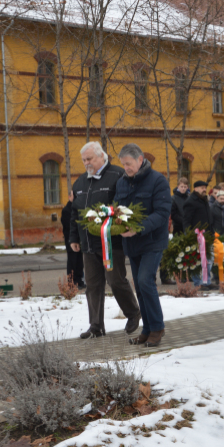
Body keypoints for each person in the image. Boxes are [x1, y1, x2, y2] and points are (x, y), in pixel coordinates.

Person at [68, 141, 141, 340]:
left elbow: (125, 206)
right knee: (92, 285)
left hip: (112, 242)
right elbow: (75, 212)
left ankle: (133, 312)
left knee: (115, 280)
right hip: (88, 244)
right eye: (84, 160)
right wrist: (74, 237)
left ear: (102, 156)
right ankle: (96, 326)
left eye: (90, 159)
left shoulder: (118, 175)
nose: (86, 163)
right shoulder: (81, 182)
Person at [115, 143, 172, 348]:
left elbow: (162, 212)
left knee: (145, 280)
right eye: (123, 164)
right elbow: (117, 209)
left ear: (140, 160)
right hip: (132, 242)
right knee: (139, 286)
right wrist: (116, 224)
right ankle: (147, 330)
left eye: (128, 164)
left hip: (152, 240)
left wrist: (139, 228)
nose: (126, 168)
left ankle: (157, 328)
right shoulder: (122, 183)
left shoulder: (158, 180)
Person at [183, 180, 214, 287]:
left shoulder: (204, 200)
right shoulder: (190, 201)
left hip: (207, 234)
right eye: (202, 188)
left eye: (205, 187)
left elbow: (208, 217)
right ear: (195, 189)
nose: (204, 189)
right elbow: (186, 220)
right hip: (196, 236)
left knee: (209, 260)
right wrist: (189, 235)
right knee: (197, 261)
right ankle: (198, 283)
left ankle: (207, 281)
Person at [61, 192, 85, 290]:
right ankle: (71, 282)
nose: (75, 197)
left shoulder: (78, 208)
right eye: (73, 196)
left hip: (79, 239)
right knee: (72, 262)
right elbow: (70, 225)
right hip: (70, 240)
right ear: (69, 197)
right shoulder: (66, 210)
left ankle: (79, 281)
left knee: (79, 261)